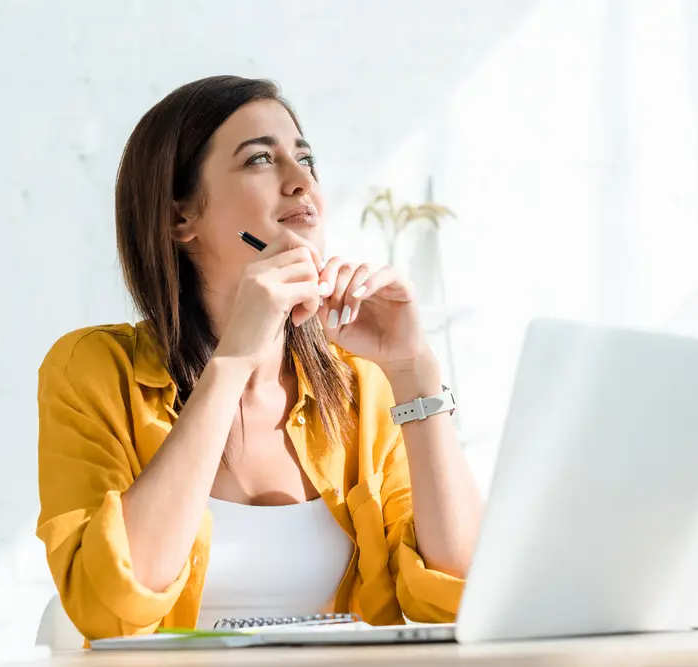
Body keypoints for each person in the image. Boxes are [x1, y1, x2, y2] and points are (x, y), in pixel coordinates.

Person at [36, 75, 483, 640]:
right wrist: (233, 363)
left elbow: (464, 600)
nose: (302, 183)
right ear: (181, 219)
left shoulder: (362, 388)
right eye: (260, 161)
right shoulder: (93, 370)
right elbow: (111, 607)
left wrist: (414, 375)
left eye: (306, 158)